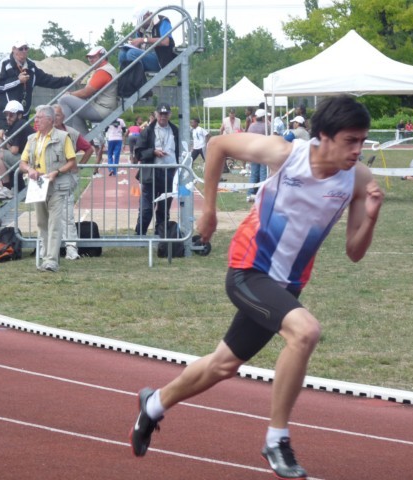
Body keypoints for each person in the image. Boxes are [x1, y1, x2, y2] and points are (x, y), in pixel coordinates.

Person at [129, 95, 384, 480]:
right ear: (324, 137)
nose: (358, 150)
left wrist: (371, 219)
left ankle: (153, 405)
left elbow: (353, 253)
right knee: (305, 332)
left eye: (362, 141)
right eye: (351, 140)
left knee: (223, 365)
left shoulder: (358, 180)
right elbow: (216, 146)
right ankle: (276, 439)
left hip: (286, 287)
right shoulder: (284, 153)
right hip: (249, 270)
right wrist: (209, 210)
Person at [19, 105, 77, 272]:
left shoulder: (62, 137)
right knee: (41, 222)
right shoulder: (32, 139)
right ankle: (45, 257)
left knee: (55, 222)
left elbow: (72, 161)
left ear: (50, 120)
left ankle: (51, 260)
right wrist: (29, 170)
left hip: (57, 185)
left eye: (39, 117)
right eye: (35, 117)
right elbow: (22, 162)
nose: (36, 120)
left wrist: (56, 172)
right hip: (38, 186)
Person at [0, 40, 72, 128]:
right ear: (14, 49)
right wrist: (18, 81)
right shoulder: (4, 64)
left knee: (23, 140)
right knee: (8, 141)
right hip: (6, 116)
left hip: (23, 115)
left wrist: (69, 80)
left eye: (26, 48)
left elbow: (47, 80)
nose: (24, 51)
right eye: (20, 49)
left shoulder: (31, 66)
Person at [53, 104, 94, 261]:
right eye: (52, 115)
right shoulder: (43, 134)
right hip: (49, 179)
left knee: (67, 215)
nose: (55, 118)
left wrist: (78, 167)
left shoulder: (72, 133)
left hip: (65, 179)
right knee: (48, 217)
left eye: (57, 115)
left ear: (63, 117)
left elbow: (89, 149)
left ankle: (71, 248)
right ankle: (50, 248)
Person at [134, 103, 179, 236]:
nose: (163, 117)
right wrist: (153, 152)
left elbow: (180, 150)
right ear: (156, 114)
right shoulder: (147, 131)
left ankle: (161, 234)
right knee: (147, 208)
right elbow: (138, 152)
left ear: (169, 115)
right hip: (151, 173)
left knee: (164, 208)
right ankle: (140, 234)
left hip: (169, 173)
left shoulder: (175, 130)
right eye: (161, 114)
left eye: (166, 114)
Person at [58, 46, 118, 136]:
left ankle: (66, 136)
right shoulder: (102, 70)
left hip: (102, 109)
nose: (90, 59)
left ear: (103, 57)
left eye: (93, 57)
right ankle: (86, 143)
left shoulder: (104, 71)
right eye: (89, 57)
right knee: (73, 109)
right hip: (101, 107)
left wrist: (70, 94)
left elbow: (86, 93)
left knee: (64, 99)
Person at [0, 100, 35, 199]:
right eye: (7, 115)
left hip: (31, 161)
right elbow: (6, 148)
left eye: (11, 115)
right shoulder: (13, 126)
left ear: (19, 115)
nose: (8, 118)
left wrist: (4, 139)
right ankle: (17, 189)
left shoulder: (20, 125)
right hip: (27, 159)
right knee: (3, 158)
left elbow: (14, 150)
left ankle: (7, 188)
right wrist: (2, 138)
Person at [119, 7, 176, 73]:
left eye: (142, 22)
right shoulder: (141, 28)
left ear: (147, 15)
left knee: (132, 53)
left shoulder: (162, 21)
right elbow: (138, 46)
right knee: (123, 53)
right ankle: (126, 79)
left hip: (161, 59)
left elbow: (166, 41)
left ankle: (137, 80)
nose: (141, 26)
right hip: (145, 55)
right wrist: (134, 43)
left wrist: (142, 40)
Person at [245, 109, 269, 202]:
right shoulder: (267, 126)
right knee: (263, 174)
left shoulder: (252, 126)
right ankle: (262, 194)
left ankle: (250, 193)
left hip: (254, 152)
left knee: (254, 174)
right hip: (264, 152)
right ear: (263, 117)